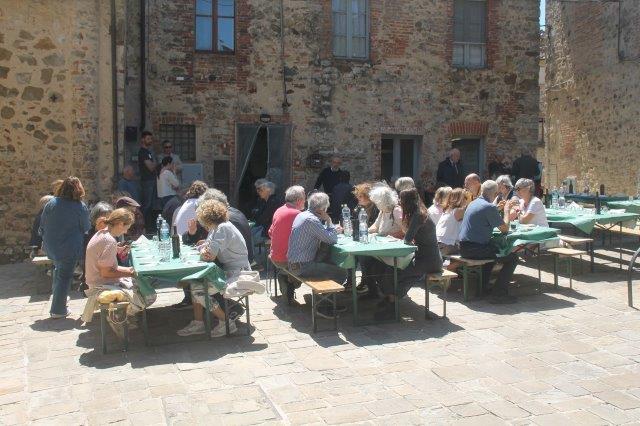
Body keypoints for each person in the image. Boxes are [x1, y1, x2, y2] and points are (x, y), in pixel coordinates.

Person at [177, 199, 251, 337]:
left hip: (237, 273)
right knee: (195, 283)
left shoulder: (222, 228)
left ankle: (226, 322)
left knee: (198, 290)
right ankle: (198, 322)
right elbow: (206, 246)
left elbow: (209, 255)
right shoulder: (218, 227)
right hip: (230, 270)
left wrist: (203, 250)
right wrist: (204, 248)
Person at [373, 188, 443, 320]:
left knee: (395, 273)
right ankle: (391, 300)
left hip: (428, 261)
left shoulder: (418, 216)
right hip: (427, 258)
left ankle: (392, 304)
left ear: (407, 202)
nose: (399, 202)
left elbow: (407, 239)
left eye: (401, 199)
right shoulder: (420, 213)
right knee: (392, 271)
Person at [287, 192, 347, 317]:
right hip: (302, 266)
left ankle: (329, 301)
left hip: (294, 263)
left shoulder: (302, 215)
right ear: (321, 210)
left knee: (330, 262)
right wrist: (329, 220)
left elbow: (321, 234)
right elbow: (332, 239)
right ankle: (324, 306)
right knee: (341, 273)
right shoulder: (312, 220)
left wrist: (329, 228)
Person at [459, 180, 518, 304]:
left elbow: (483, 214)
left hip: (464, 247)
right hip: (476, 249)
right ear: (495, 194)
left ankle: (482, 290)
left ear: (482, 190)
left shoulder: (473, 203)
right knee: (512, 257)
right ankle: (499, 293)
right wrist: (506, 210)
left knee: (491, 251)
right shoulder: (489, 207)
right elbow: (505, 229)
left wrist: (496, 209)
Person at [39, 177, 91, 318]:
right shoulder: (80, 206)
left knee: (59, 272)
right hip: (69, 247)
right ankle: (58, 310)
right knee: (64, 277)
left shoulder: (51, 203)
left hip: (51, 246)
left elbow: (42, 225)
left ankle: (59, 300)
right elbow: (86, 227)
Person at [269, 186, 306, 305]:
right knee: (314, 264)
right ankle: (288, 278)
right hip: (287, 260)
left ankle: (287, 276)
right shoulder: (298, 214)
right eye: (304, 198)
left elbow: (270, 232)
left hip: (274, 257)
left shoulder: (279, 210)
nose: (305, 201)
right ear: (299, 200)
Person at [84, 208, 136, 291]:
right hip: (101, 287)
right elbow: (106, 272)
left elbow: (108, 267)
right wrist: (131, 273)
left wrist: (130, 270)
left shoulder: (101, 233)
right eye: (127, 228)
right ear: (120, 224)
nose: (126, 232)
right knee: (141, 291)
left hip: (96, 283)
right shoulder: (109, 241)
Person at [352, 182, 380, 297]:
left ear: (368, 197)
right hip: (363, 239)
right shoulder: (359, 208)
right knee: (352, 256)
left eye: (360, 196)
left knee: (363, 257)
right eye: (357, 196)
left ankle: (371, 288)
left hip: (374, 241)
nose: (358, 198)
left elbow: (377, 227)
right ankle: (352, 281)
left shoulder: (377, 209)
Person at [436, 188, 468, 255]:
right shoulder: (459, 211)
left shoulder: (447, 210)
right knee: (470, 251)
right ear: (460, 199)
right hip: (447, 245)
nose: (467, 199)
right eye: (465, 197)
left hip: (438, 245)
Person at [138, 131, 157, 227]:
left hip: (151, 181)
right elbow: (151, 167)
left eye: (151, 139)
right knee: (147, 205)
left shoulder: (148, 152)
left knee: (151, 205)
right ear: (143, 139)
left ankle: (149, 226)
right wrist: (155, 162)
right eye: (148, 139)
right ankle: (142, 225)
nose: (150, 141)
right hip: (147, 181)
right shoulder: (143, 152)